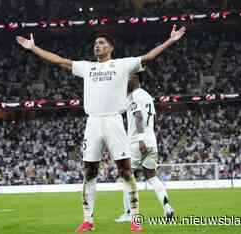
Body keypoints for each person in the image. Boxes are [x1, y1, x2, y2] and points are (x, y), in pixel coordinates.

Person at [16, 24, 185, 232]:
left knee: (126, 171)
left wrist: (171, 40)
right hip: (93, 122)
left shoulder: (122, 65)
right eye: (95, 43)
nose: (97, 46)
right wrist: (34, 48)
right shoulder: (88, 67)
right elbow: (60, 61)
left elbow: (149, 57)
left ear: (111, 48)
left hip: (114, 121)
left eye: (102, 43)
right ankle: (88, 220)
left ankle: (135, 219)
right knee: (89, 171)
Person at [115, 73, 174, 223]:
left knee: (127, 176)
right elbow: (152, 119)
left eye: (128, 78)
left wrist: (140, 139)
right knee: (152, 177)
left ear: (135, 79)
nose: (126, 81)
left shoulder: (133, 96)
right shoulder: (148, 96)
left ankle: (129, 213)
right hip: (151, 141)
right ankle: (167, 206)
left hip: (136, 142)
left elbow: (139, 116)